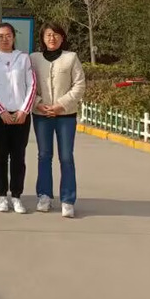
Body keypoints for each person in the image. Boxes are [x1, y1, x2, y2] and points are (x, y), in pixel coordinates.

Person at [30, 22, 86, 218]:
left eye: (55, 35)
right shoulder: (34, 59)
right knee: (44, 155)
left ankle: (67, 200)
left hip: (65, 116)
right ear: (42, 38)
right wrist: (38, 103)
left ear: (62, 38)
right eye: (48, 35)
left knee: (66, 157)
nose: (52, 38)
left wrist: (60, 105)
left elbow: (79, 85)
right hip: (42, 115)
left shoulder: (71, 58)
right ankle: (44, 196)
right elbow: (28, 84)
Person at [0, 22, 36, 214]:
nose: (4, 39)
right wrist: (1, 111)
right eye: (0, 36)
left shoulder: (23, 58)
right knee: (0, 156)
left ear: (14, 37)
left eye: (8, 36)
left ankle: (17, 196)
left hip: (21, 116)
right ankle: (2, 196)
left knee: (18, 157)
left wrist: (24, 110)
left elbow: (31, 85)